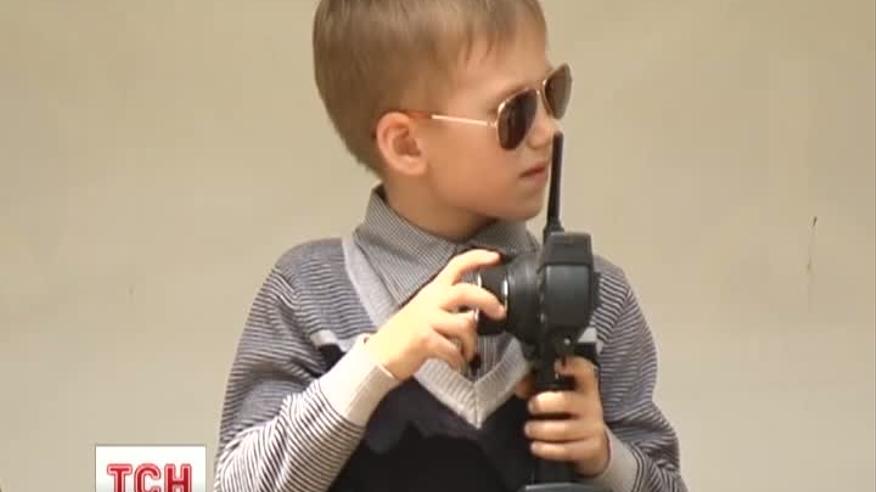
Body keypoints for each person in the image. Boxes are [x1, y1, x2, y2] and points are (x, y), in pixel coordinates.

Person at [213, 1, 686, 491]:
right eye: (516, 112)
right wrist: (375, 365)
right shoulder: (307, 294)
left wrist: (605, 458)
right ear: (406, 144)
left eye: (552, 92)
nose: (549, 130)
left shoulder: (598, 298)